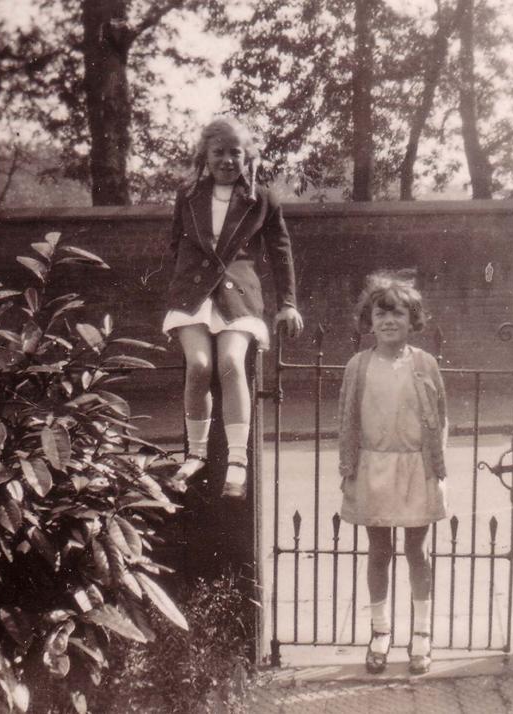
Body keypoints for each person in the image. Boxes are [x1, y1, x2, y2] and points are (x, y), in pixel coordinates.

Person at [163, 116, 303, 498]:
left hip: (239, 294)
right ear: (205, 156)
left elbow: (281, 252)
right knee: (200, 364)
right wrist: (182, 285)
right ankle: (196, 454)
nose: (227, 160)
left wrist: (288, 304)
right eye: (218, 152)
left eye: (235, 153)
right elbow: (175, 245)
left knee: (229, 362)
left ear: (248, 156)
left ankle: (237, 461)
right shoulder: (188, 195)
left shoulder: (263, 198)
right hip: (193, 294)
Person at [337, 271, 448, 675]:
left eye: (397, 314)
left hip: (416, 468)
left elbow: (441, 417)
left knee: (417, 552)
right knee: (379, 552)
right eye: (380, 315)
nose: (388, 322)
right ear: (369, 321)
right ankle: (380, 632)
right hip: (373, 467)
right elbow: (347, 419)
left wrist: (438, 468)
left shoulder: (425, 364)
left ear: (411, 320)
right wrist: (348, 468)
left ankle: (421, 635)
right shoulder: (358, 365)